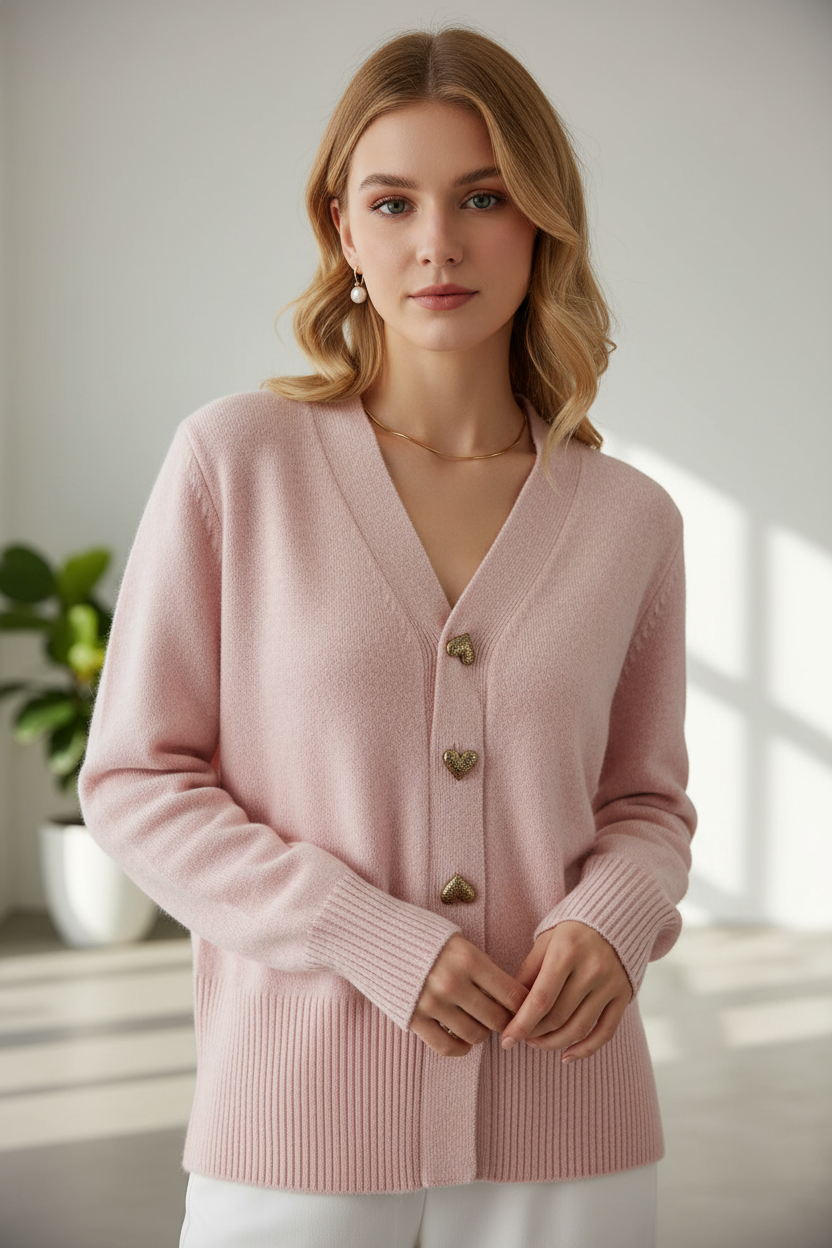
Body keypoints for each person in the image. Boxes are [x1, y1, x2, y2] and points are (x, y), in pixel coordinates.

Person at [78, 24, 696, 1248]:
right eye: (392, 200)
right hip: (297, 1121)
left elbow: (647, 802)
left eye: (483, 196)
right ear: (342, 231)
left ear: (542, 223)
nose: (438, 243)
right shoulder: (233, 464)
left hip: (569, 1124)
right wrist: (362, 934)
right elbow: (137, 782)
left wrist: (612, 916)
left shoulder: (630, 519)